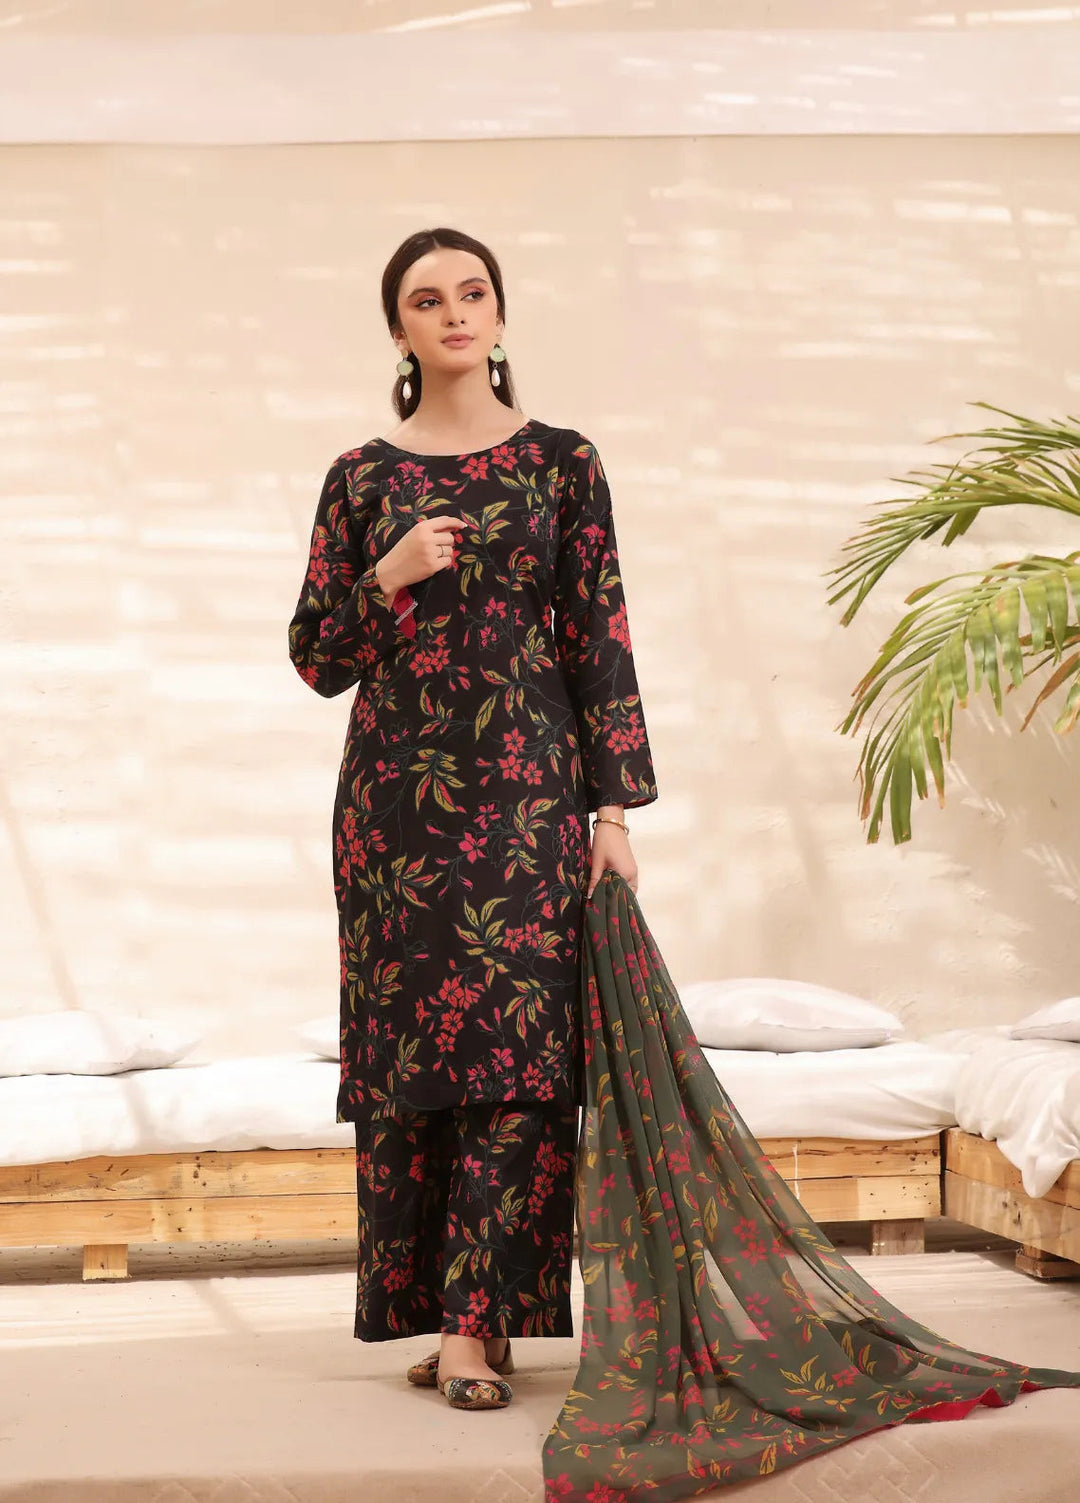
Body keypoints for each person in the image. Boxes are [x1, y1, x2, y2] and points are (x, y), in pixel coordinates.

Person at [288, 227, 658, 1412]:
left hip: (529, 799)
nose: (454, 312)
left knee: (522, 1060)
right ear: (397, 328)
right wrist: (387, 574)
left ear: (500, 314)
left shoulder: (562, 463)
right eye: (426, 299)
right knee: (417, 1060)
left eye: (473, 292)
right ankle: (455, 1320)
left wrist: (612, 810)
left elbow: (598, 635)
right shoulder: (361, 479)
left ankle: (474, 1327)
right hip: (395, 814)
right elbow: (316, 659)